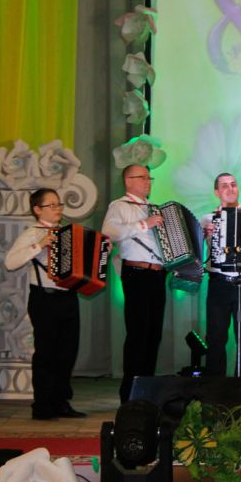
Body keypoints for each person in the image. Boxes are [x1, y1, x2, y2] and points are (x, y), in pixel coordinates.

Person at [4, 189, 86, 420]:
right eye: (51, 205)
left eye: (59, 204)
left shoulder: (68, 233)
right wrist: (39, 245)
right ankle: (42, 406)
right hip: (44, 298)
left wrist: (101, 251)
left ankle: (61, 402)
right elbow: (10, 262)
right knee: (46, 353)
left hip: (68, 297)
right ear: (37, 209)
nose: (58, 208)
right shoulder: (33, 233)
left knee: (67, 352)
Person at [102, 164, 166, 404]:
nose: (148, 182)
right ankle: (130, 395)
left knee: (153, 335)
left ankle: (146, 392)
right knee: (138, 334)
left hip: (158, 275)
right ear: (128, 181)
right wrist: (143, 224)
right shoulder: (119, 206)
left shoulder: (154, 208)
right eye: (143, 178)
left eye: (150, 178)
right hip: (136, 274)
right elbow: (109, 232)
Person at [200, 173, 241, 377]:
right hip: (219, 283)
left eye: (233, 184)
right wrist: (203, 236)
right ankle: (215, 386)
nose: (230, 188)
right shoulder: (207, 219)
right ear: (217, 192)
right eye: (224, 186)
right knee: (216, 337)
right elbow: (197, 253)